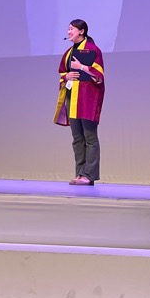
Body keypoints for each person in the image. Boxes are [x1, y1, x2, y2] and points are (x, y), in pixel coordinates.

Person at [53, 19, 105, 185]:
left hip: (87, 98)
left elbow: (99, 75)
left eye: (72, 29)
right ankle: (80, 173)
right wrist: (67, 76)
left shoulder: (93, 50)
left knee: (90, 137)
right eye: (68, 29)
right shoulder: (68, 52)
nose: (69, 32)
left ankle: (89, 175)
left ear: (81, 31)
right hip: (72, 99)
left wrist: (81, 67)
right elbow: (62, 72)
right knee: (77, 138)